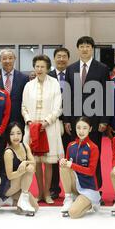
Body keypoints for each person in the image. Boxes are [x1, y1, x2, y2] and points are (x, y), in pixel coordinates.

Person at [64, 36, 110, 203]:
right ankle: (77, 191)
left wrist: (105, 119)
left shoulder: (102, 68)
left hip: (95, 120)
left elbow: (107, 95)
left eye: (88, 46)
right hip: (76, 121)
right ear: (78, 49)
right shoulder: (71, 69)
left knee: (94, 157)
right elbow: (67, 95)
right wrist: (67, 120)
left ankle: (97, 191)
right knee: (75, 157)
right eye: (81, 46)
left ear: (92, 49)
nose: (84, 49)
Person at [22, 54, 64, 204]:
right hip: (32, 128)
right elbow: (24, 107)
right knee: (37, 162)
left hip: (49, 128)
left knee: (48, 162)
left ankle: (47, 193)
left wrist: (46, 122)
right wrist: (28, 121)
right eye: (37, 66)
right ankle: (39, 192)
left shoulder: (54, 84)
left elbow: (58, 108)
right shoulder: (28, 85)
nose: (39, 69)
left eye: (42, 67)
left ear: (48, 68)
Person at [59, 117, 101, 219]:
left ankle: (91, 203)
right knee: (64, 167)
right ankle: (69, 198)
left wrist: (72, 165)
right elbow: (68, 167)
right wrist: (63, 162)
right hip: (75, 185)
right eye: (78, 128)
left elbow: (91, 172)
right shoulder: (70, 145)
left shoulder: (93, 147)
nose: (81, 131)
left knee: (73, 213)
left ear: (90, 129)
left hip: (88, 188)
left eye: (84, 128)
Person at [0, 122, 39, 216]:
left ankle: (12, 200)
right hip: (8, 186)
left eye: (18, 133)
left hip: (20, 185)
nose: (16, 137)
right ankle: (6, 197)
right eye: (12, 134)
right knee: (28, 169)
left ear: (22, 134)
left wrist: (25, 163)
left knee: (35, 208)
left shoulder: (25, 146)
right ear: (8, 135)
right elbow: (10, 176)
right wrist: (22, 170)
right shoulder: (8, 152)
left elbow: (33, 164)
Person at [48, 47, 71, 200]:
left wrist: (69, 119)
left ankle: (71, 188)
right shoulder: (47, 75)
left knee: (69, 156)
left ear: (68, 59)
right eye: (59, 56)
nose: (61, 59)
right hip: (52, 121)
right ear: (54, 59)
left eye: (64, 56)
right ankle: (54, 188)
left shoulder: (73, 74)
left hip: (69, 122)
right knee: (53, 156)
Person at [0, 49, 29, 129]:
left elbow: (26, 101)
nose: (7, 61)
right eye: (4, 58)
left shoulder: (24, 78)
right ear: (0, 60)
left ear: (15, 59)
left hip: (18, 121)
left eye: (10, 58)